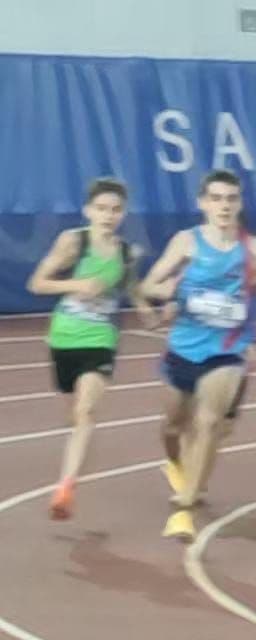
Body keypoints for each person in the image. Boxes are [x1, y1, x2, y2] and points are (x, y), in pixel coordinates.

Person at [136, 170, 256, 541]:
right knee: (172, 426)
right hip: (184, 347)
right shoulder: (186, 242)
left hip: (227, 349)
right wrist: (171, 290)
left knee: (209, 422)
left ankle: (184, 510)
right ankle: (176, 465)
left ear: (240, 203)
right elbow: (149, 284)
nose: (224, 206)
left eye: (231, 198)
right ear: (203, 203)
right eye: (216, 198)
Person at [28, 178, 141, 520]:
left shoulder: (125, 252)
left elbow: (132, 290)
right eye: (102, 209)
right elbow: (37, 283)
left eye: (116, 210)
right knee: (73, 415)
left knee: (86, 411)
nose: (108, 215)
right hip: (64, 337)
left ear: (123, 213)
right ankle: (75, 455)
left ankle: (65, 488)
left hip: (101, 338)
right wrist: (77, 284)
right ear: (88, 211)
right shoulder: (73, 241)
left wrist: (150, 310)